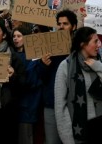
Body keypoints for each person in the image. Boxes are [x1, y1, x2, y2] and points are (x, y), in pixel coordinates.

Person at [55, 27, 102, 144]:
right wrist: (68, 140)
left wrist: (100, 68)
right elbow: (60, 106)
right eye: (95, 41)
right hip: (82, 128)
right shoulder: (66, 66)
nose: (99, 45)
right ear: (83, 44)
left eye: (99, 41)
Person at [39, 9, 77, 144]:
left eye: (65, 24)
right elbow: (41, 77)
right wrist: (43, 64)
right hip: (52, 104)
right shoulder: (48, 47)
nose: (61, 27)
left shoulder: (80, 48)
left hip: (75, 104)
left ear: (74, 26)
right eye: (59, 24)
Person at [12, 26, 43, 144]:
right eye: (14, 36)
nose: (15, 39)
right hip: (14, 105)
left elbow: (32, 80)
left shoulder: (34, 57)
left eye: (19, 36)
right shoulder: (10, 55)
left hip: (28, 106)